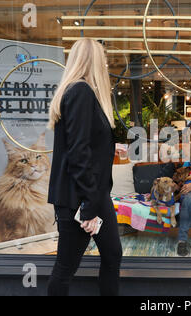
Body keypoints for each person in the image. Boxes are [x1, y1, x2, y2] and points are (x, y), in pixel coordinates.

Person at [46, 38, 123, 296]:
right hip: (81, 198)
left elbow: (84, 145)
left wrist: (111, 147)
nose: (106, 63)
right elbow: (78, 153)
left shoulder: (81, 93)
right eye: (103, 58)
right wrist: (88, 208)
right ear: (94, 61)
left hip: (94, 195)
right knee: (65, 269)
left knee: (113, 255)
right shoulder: (80, 92)